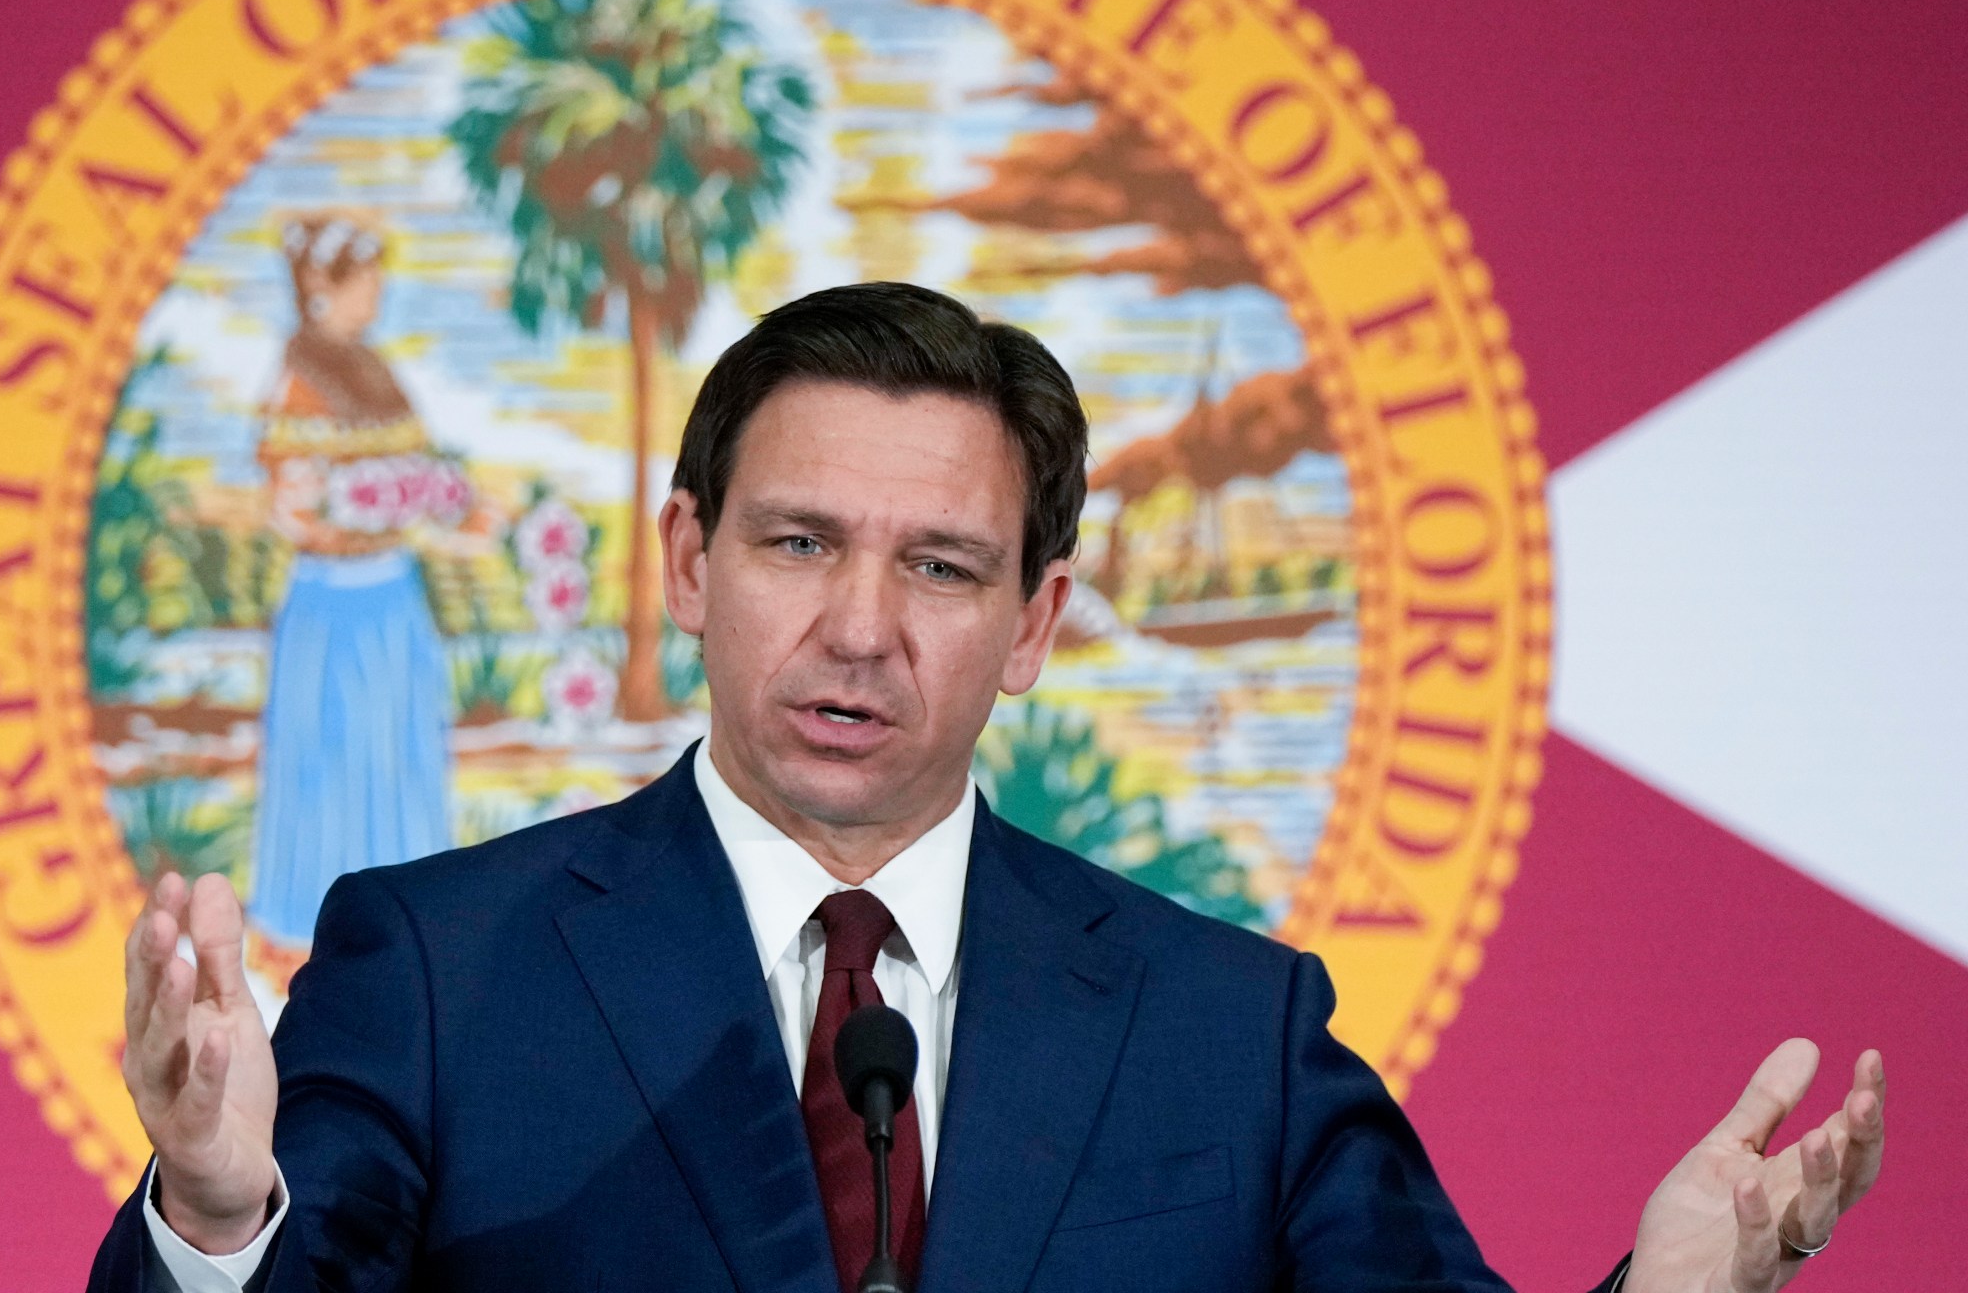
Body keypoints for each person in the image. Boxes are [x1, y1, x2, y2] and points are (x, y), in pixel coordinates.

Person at [96, 284, 1888, 1293]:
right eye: (799, 543)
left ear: (1033, 625)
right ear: (686, 563)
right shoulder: (437, 964)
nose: (860, 629)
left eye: (943, 571)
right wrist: (213, 1212)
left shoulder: (1227, 1030)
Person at [244, 214, 466, 951]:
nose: (376, 294)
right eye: (363, 280)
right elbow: (291, 504)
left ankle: (409, 930)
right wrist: (350, 515)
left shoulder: (375, 369)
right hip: (332, 605)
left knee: (396, 758)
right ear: (320, 288)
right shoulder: (298, 377)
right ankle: (310, 935)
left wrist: (438, 505)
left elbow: (420, 471)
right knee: (331, 764)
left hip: (393, 598)